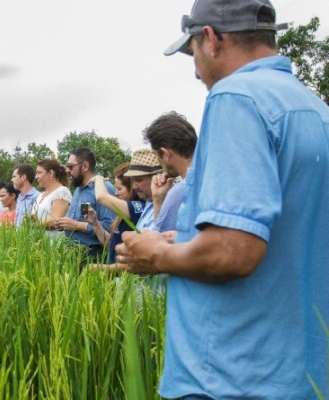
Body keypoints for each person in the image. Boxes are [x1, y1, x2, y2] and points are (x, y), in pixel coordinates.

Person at [116, 0, 329, 397]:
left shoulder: (236, 98)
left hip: (232, 375)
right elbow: (287, 238)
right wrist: (183, 243)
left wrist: (156, 256)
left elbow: (234, 251)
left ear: (211, 39)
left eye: (192, 51)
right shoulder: (314, 110)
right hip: (304, 375)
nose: (195, 70)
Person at [54, 148, 116, 262]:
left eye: (71, 166)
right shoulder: (78, 190)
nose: (67, 170)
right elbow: (84, 216)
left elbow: (109, 226)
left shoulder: (105, 189)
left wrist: (76, 225)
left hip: (93, 255)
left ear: (85, 166)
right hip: (74, 253)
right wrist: (64, 224)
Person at [142, 111, 197, 232]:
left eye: (157, 156)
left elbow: (161, 244)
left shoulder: (180, 192)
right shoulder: (214, 180)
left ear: (166, 154)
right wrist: (158, 200)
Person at [86, 162, 145, 269]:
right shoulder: (123, 215)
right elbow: (112, 245)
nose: (116, 193)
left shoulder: (138, 208)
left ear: (132, 188)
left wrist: (99, 178)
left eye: (119, 188)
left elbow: (101, 197)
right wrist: (95, 224)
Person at [122, 148, 163, 232]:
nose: (134, 187)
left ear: (157, 177)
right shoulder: (149, 203)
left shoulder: (169, 204)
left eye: (138, 180)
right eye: (133, 180)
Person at [31, 158, 72, 240]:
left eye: (39, 173)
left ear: (50, 173)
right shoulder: (40, 196)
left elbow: (55, 220)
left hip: (54, 243)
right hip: (39, 243)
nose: (36, 177)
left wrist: (35, 224)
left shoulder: (61, 192)